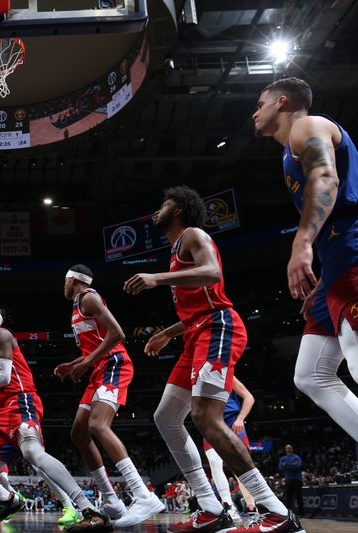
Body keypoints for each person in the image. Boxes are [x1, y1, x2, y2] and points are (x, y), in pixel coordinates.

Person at [125, 186, 304, 533]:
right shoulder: (176, 250)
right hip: (195, 333)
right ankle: (210, 507)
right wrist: (168, 333)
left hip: (218, 328)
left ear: (178, 210)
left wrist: (158, 279)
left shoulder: (193, 235)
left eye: (164, 204)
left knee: (206, 417)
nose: (157, 211)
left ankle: (277, 511)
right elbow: (196, 309)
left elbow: (212, 274)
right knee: (165, 417)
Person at [253, 77, 358, 442]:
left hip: (353, 249)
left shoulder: (307, 126)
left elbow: (326, 179)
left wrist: (302, 242)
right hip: (336, 264)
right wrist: (325, 277)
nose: (255, 111)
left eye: (260, 103)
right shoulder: (289, 151)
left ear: (281, 102)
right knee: (311, 376)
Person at [0, 304, 109, 530]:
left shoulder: (1, 334)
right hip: (0, 410)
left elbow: (3, 377)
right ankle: (6, 498)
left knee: (33, 455)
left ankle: (88, 509)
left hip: (20, 403)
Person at [56, 264, 165, 527]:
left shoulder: (88, 297)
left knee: (97, 425)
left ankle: (143, 494)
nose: (63, 284)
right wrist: (75, 364)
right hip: (99, 369)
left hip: (115, 364)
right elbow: (97, 343)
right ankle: (111, 500)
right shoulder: (77, 305)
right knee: (78, 432)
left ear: (73, 280)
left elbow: (118, 334)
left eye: (65, 279)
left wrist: (86, 363)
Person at [203, 377, 256, 521]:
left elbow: (249, 397)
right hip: (210, 422)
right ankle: (227, 505)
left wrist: (240, 418)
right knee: (214, 461)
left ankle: (252, 507)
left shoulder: (227, 374)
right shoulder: (196, 376)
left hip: (232, 421)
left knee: (241, 466)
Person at [279, 445, 304, 517]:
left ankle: (301, 513)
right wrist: (291, 465)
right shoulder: (283, 458)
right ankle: (288, 514)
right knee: (287, 498)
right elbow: (280, 468)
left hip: (297, 479)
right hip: (288, 480)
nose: (288, 449)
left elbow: (298, 466)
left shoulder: (297, 458)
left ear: (292, 449)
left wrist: (286, 465)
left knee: (298, 497)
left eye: (289, 448)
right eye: (286, 448)